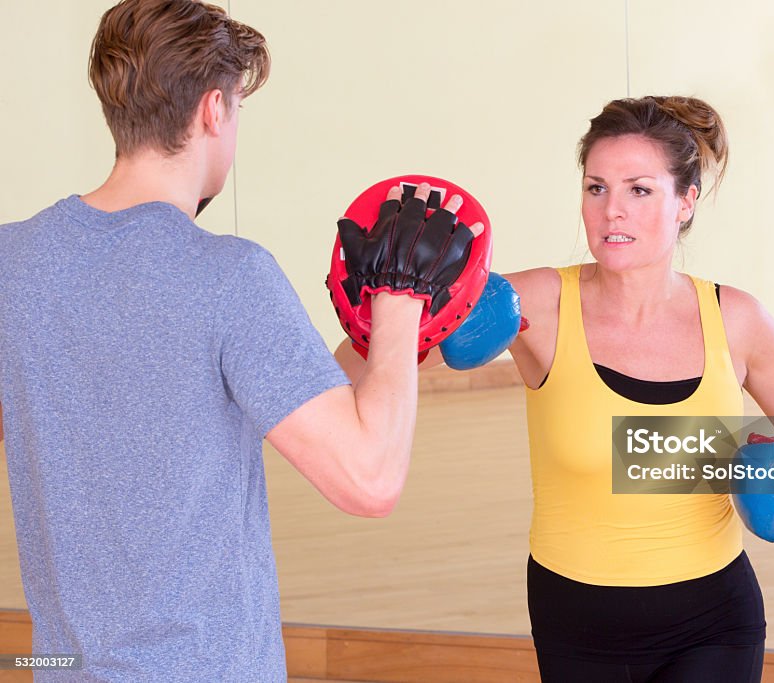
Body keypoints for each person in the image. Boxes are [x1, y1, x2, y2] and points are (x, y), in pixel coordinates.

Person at [0, 0, 478, 680]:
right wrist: (402, 300)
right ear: (212, 111)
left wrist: (381, 343)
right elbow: (370, 479)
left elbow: (163, 397)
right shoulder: (227, 276)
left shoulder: (13, 263)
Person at [340, 95, 774, 681]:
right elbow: (347, 371)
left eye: (639, 190)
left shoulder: (737, 319)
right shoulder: (535, 305)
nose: (611, 212)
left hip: (714, 621)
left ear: (686, 202)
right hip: (576, 625)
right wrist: (395, 298)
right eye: (596, 188)